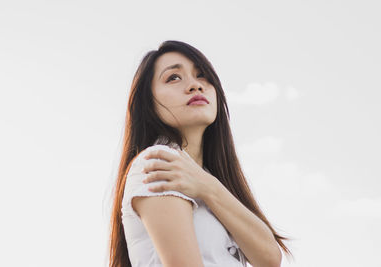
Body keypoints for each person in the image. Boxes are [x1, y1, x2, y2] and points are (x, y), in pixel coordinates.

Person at [108, 40, 293, 267]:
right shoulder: (159, 162)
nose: (195, 85)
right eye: (173, 77)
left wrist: (209, 187)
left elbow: (270, 258)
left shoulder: (206, 178)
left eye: (202, 75)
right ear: (149, 104)